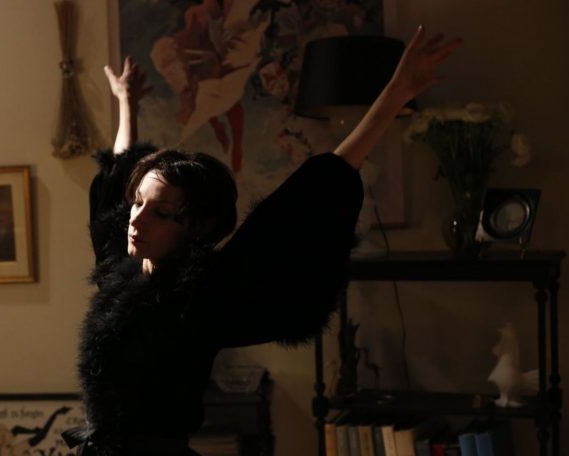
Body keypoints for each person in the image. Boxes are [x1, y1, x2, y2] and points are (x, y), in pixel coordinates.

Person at [64, 26, 461, 456]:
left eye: (160, 213)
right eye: (138, 204)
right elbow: (120, 175)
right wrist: (126, 103)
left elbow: (313, 195)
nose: (136, 220)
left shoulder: (200, 297)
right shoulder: (121, 267)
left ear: (197, 228)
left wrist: (395, 95)